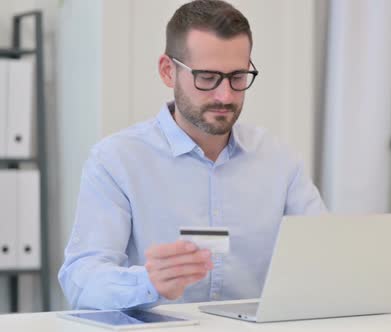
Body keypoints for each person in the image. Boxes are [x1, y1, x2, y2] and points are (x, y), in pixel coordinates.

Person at [58, 0, 326, 310]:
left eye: (237, 77)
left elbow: (324, 257)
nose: (224, 96)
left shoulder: (280, 161)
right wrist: (147, 282)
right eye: (207, 77)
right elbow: (80, 280)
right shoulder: (116, 160)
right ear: (167, 71)